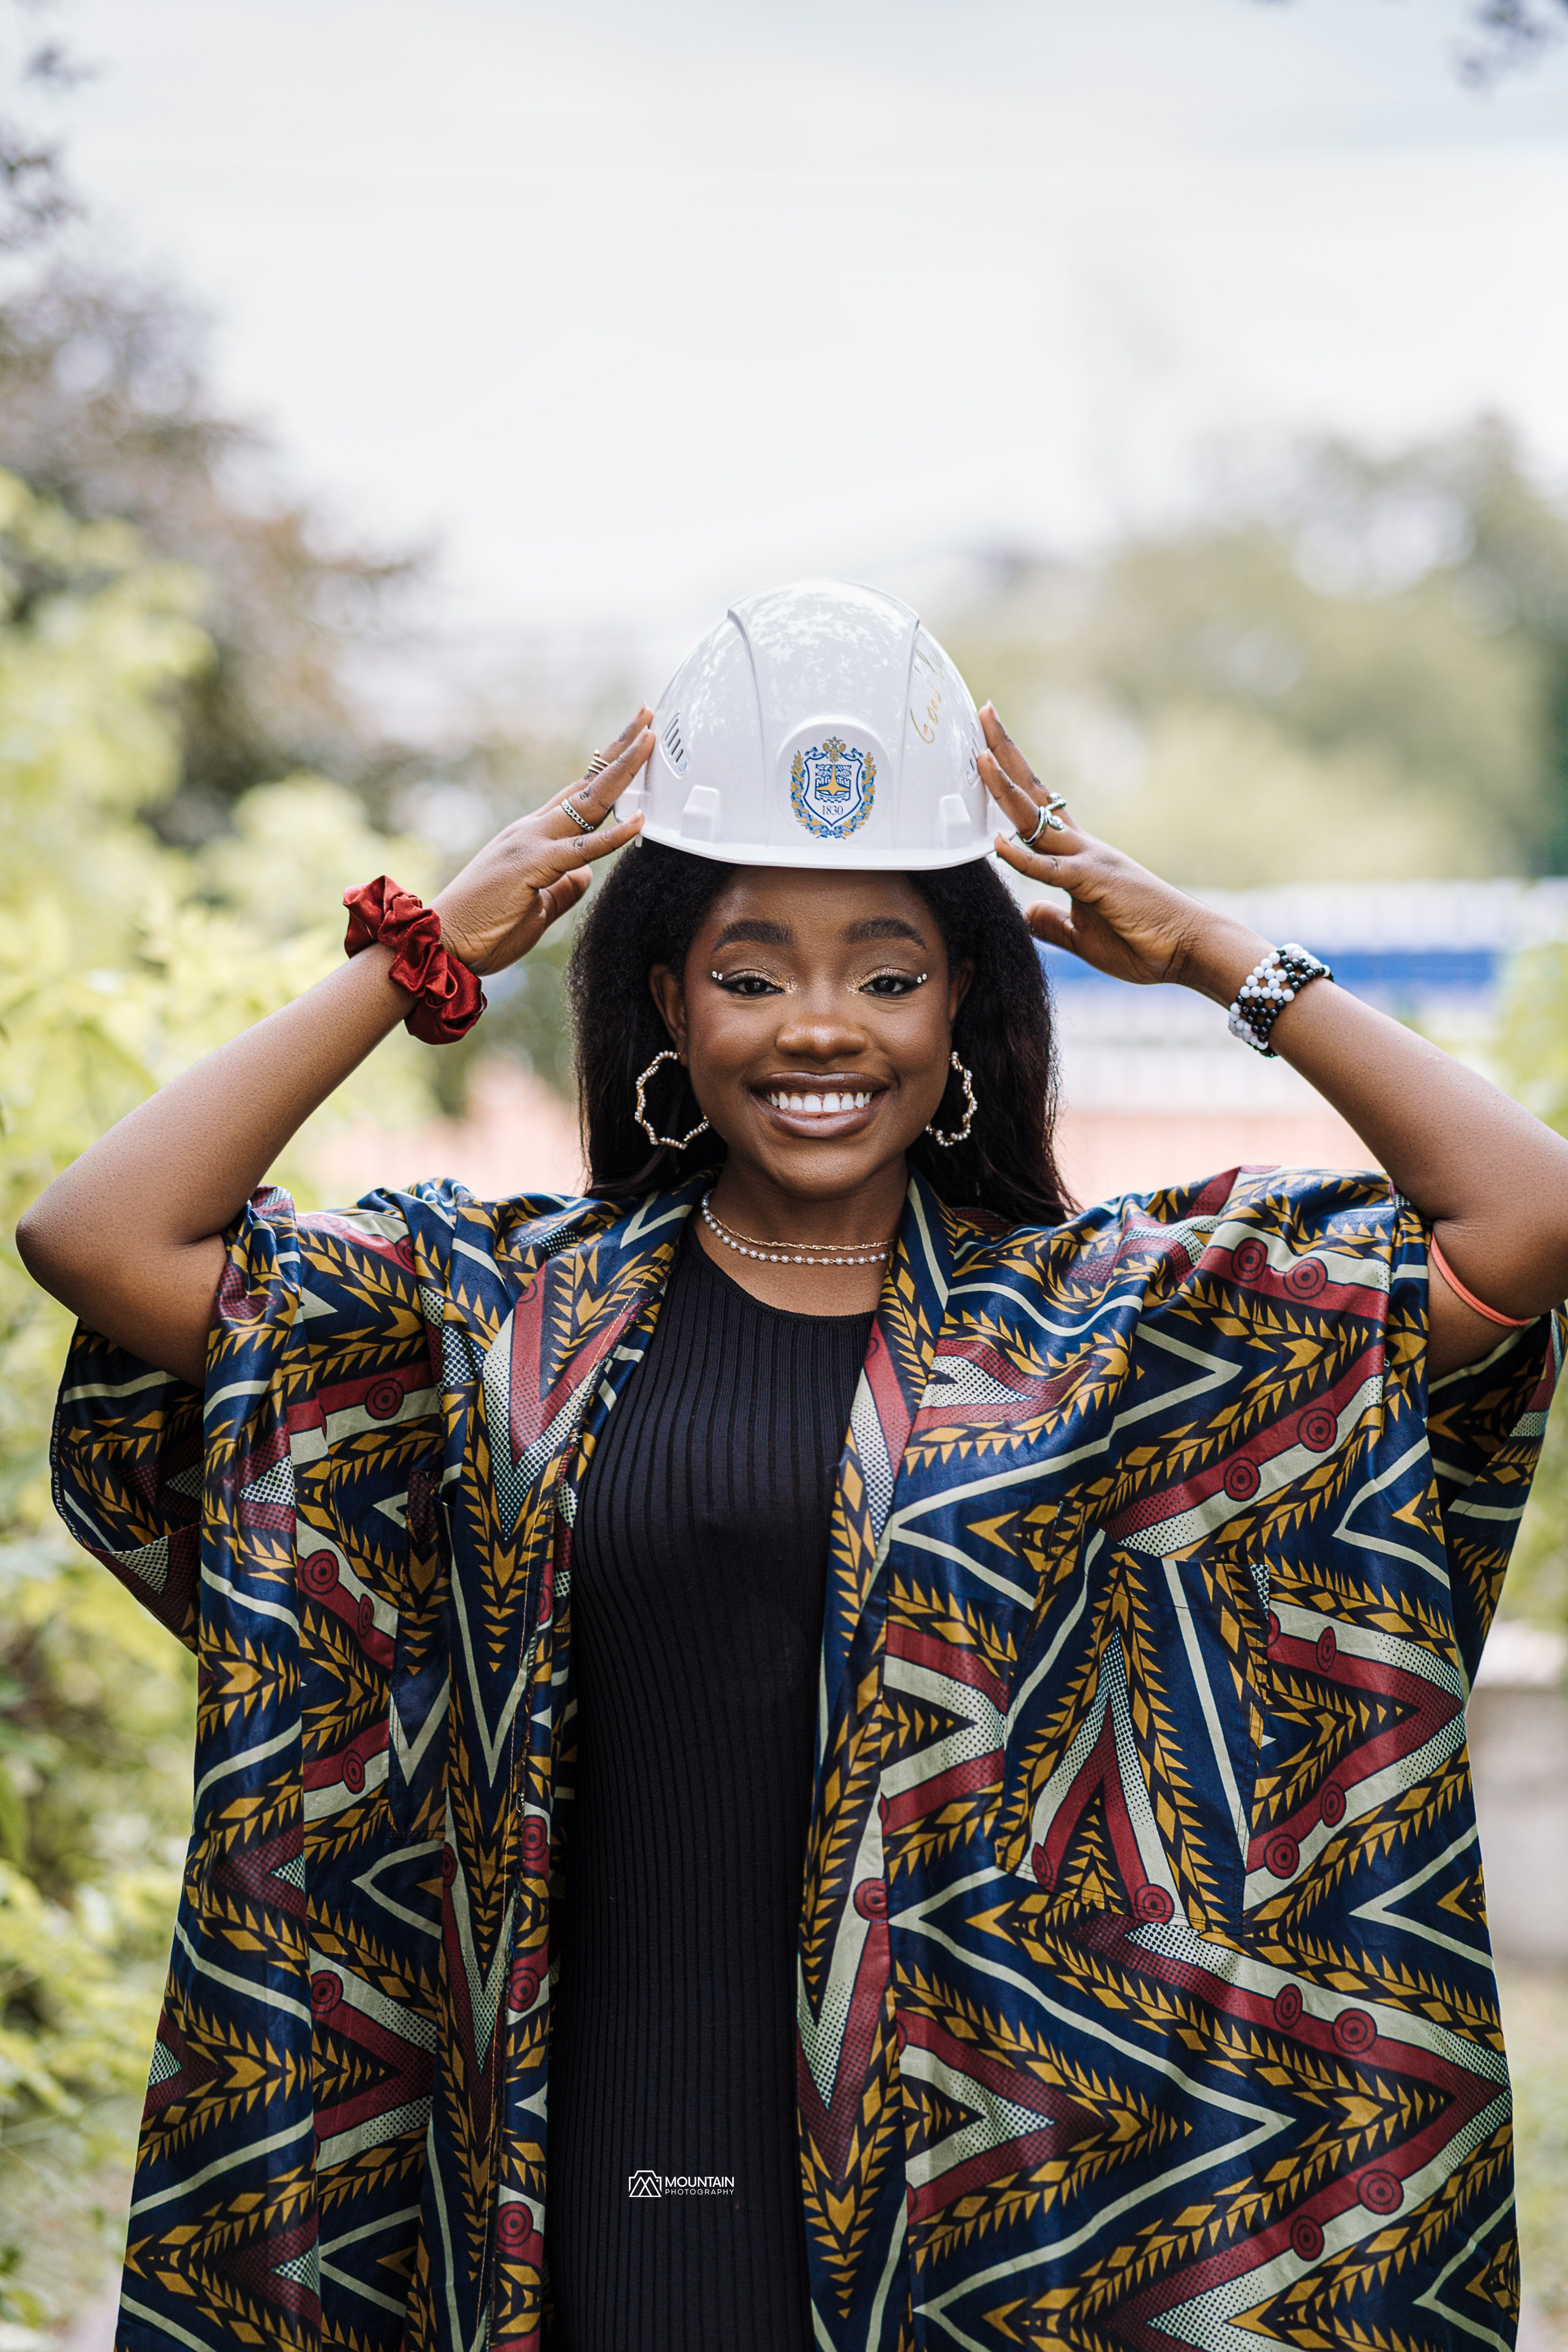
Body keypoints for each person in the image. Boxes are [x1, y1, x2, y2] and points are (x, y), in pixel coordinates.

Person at [18, 579, 1568, 2352]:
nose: (818, 1029)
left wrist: (1219, 952)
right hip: (593, 2159)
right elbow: (99, 1234)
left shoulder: (1116, 1325)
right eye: (751, 974)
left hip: (1008, 2201)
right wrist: (423, 952)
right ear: (667, 999)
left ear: (963, 1004)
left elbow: (1527, 1218)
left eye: (884, 975)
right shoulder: (505, 1313)